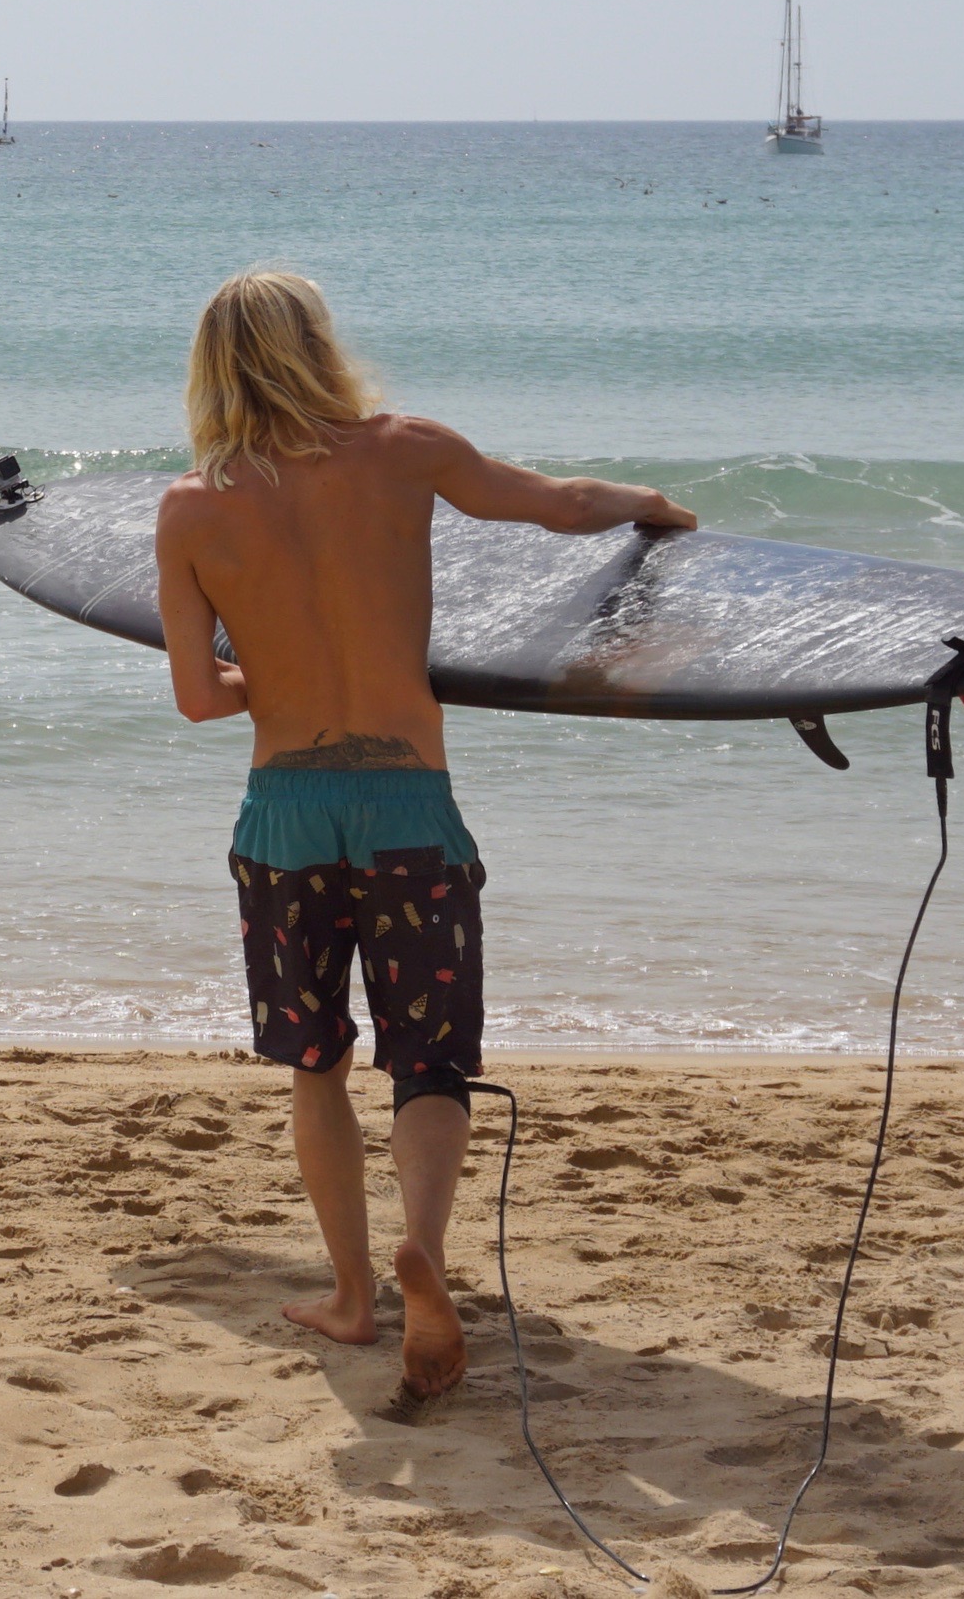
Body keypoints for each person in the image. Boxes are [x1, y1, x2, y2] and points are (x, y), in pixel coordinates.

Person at [153, 269, 696, 1402]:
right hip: (409, 802)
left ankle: (352, 1297)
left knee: (316, 1064)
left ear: (213, 367)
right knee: (429, 1062)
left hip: (288, 815)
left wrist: (275, 670)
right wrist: (652, 504)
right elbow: (558, 501)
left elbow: (200, 700)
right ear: (320, 346)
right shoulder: (405, 449)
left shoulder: (191, 507)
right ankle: (427, 1258)